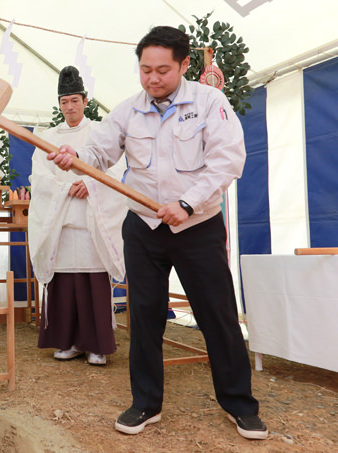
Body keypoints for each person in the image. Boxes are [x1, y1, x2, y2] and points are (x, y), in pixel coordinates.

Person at [48, 26, 267, 440]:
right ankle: (145, 403)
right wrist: (75, 156)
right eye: (145, 69)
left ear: (185, 65)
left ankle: (241, 405)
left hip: (197, 226)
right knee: (144, 317)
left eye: (163, 70)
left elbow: (227, 161)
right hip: (144, 227)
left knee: (217, 316)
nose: (152, 78)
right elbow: (99, 151)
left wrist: (186, 204)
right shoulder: (128, 110)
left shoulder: (210, 102)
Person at [29, 66, 126, 367]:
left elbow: (116, 169)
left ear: (85, 101)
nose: (69, 107)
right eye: (64, 101)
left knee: (92, 281)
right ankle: (67, 341)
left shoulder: (99, 132)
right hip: (60, 218)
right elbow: (38, 176)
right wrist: (65, 187)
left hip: (91, 218)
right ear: (59, 104)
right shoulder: (47, 136)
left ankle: (96, 344)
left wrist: (89, 183)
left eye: (74, 100)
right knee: (64, 281)